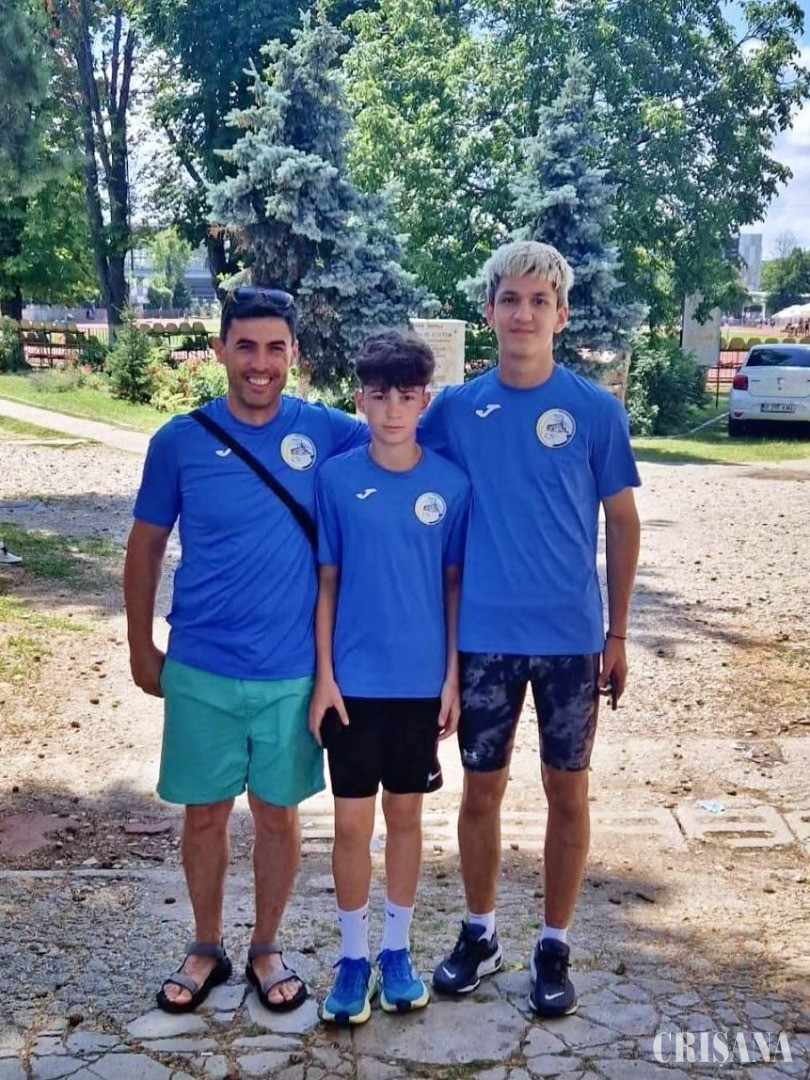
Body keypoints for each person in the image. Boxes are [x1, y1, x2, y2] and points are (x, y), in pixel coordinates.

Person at [124, 286, 367, 1014]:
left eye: (275, 348)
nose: (260, 364)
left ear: (294, 354)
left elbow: (403, 442)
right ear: (221, 350)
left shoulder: (328, 431)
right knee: (203, 814)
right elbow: (145, 547)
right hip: (201, 664)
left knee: (277, 815)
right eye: (246, 347)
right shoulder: (179, 441)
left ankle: (266, 946)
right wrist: (140, 644)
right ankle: (205, 945)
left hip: (293, 672)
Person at [420, 240, 641, 1017]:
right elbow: (401, 467)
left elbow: (622, 520)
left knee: (566, 790)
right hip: (483, 636)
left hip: (571, 640)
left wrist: (617, 634)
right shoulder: (455, 410)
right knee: (481, 789)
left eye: (539, 301)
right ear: (489, 311)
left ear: (561, 315)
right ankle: (480, 933)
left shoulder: (595, 410)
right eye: (510, 299)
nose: (523, 314)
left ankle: (554, 943)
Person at [308, 330, 470, 1025]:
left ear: (425, 400)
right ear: (360, 400)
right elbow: (326, 583)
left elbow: (454, 586)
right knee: (350, 826)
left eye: (406, 396)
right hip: (352, 686)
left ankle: (396, 952)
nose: (393, 409)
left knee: (406, 819)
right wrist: (324, 676)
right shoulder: (336, 479)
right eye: (380, 396)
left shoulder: (451, 484)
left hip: (419, 687)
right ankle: (352, 959)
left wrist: (452, 677)